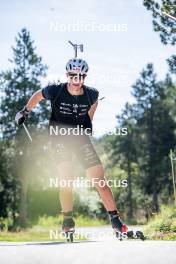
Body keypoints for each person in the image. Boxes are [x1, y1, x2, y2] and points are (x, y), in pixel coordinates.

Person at [15, 58, 144, 240]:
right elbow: (38, 95)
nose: (76, 79)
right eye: (72, 75)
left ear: (85, 76)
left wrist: (88, 120)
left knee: (100, 180)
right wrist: (25, 112)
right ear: (67, 75)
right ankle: (67, 221)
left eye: (80, 76)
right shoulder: (56, 90)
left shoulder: (92, 94)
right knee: (67, 179)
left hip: (80, 139)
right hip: (60, 138)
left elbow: (95, 103)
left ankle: (116, 221)